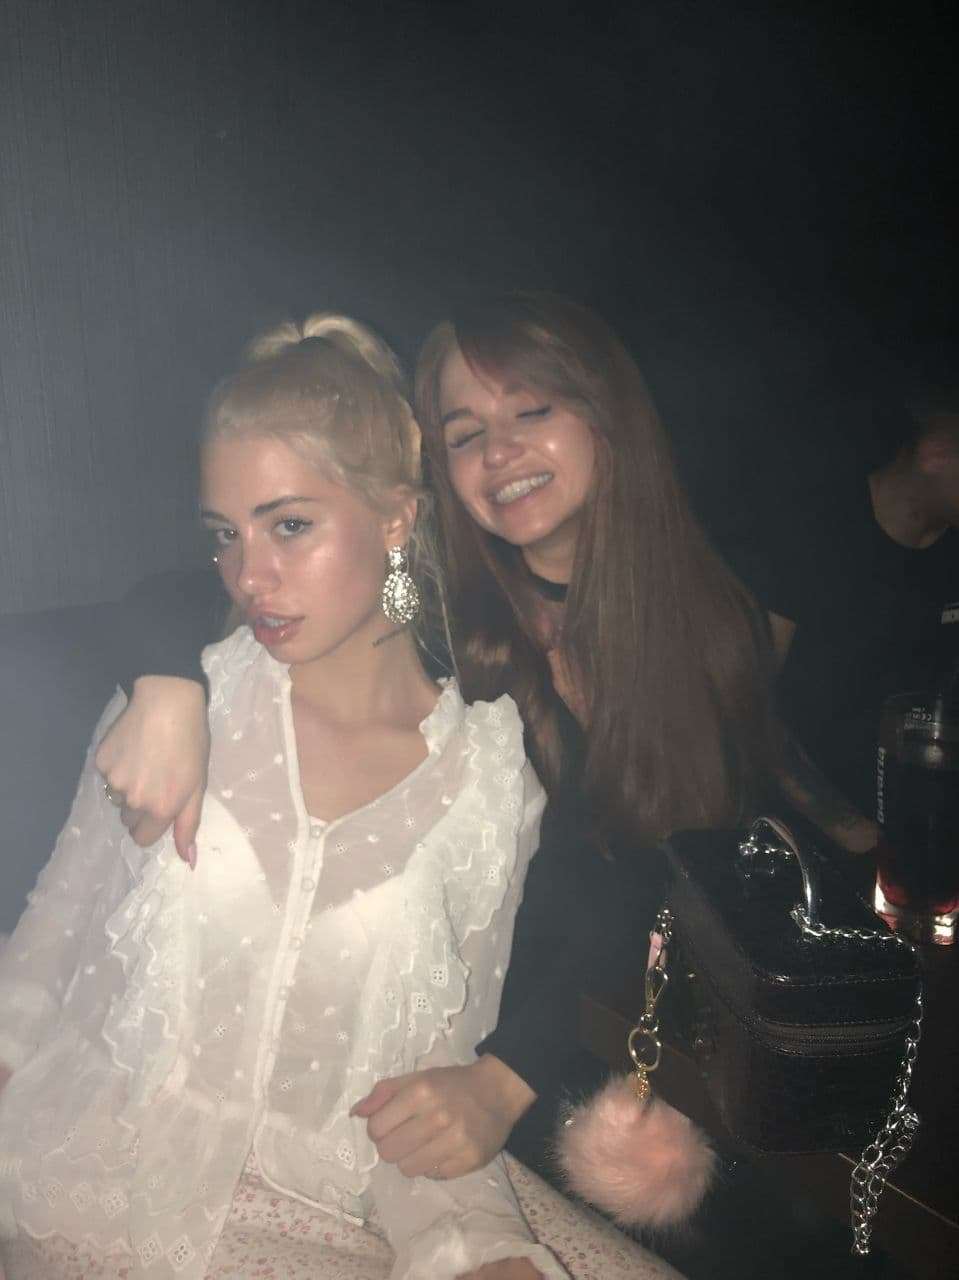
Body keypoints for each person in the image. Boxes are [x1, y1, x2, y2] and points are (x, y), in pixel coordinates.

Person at [0, 316, 678, 1280]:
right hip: (102, 1180)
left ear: (397, 518)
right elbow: (38, 964)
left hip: (354, 1190)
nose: (249, 576)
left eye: (289, 525)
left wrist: (474, 1247)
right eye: (225, 535)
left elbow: (433, 1088)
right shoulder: (174, 706)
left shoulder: (489, 775)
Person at [91, 294, 779, 1202]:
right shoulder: (436, 605)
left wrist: (510, 1075)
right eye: (463, 433)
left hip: (606, 1040)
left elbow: (681, 875)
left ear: (608, 416)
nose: (497, 453)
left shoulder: (719, 622)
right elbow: (185, 589)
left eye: (531, 410)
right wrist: (164, 686)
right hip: (450, 1059)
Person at [714, 377, 959, 865]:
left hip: (927, 837)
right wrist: (855, 834)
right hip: (799, 845)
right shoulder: (809, 528)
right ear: (937, 450)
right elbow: (743, 705)